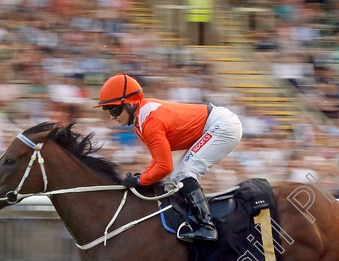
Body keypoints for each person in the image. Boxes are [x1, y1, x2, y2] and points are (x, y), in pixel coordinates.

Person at [94, 73, 243, 242]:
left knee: (183, 173)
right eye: (108, 110)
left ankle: (206, 226)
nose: (111, 115)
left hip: (222, 125)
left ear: (131, 104)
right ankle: (194, 220)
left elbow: (165, 166)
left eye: (114, 109)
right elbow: (158, 160)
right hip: (216, 124)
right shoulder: (140, 123)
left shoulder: (149, 122)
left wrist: (140, 181)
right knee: (177, 176)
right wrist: (142, 176)